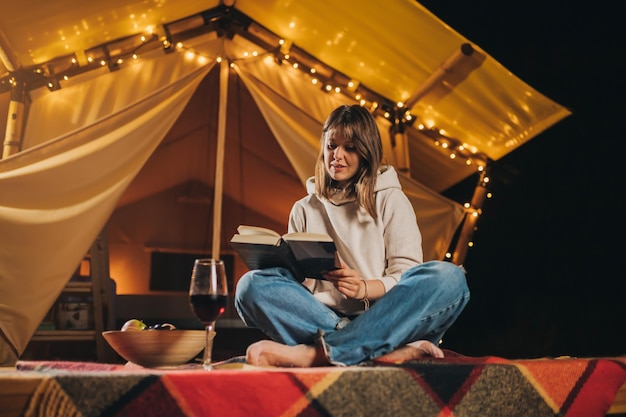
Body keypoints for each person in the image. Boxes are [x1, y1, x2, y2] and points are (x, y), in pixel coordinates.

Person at [234, 104, 470, 367]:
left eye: (350, 148)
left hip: (389, 316)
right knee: (250, 286)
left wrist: (363, 288)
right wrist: (290, 272)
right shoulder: (304, 208)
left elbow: (406, 275)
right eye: (332, 145)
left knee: (450, 279)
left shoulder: (391, 198)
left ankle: (318, 354)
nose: (337, 155)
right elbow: (302, 293)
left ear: (366, 152)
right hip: (325, 319)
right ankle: (373, 349)